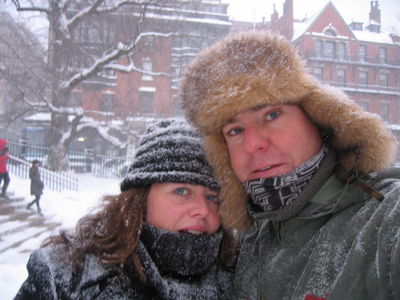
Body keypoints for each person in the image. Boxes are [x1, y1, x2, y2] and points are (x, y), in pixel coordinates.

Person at [180, 31, 400, 300]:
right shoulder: (249, 241)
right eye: (235, 131)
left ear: (316, 115)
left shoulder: (385, 220)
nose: (253, 144)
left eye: (271, 115)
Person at [14, 119, 233, 300]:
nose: (203, 210)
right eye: (181, 191)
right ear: (141, 199)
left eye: (213, 197)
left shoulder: (245, 278)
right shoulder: (64, 276)